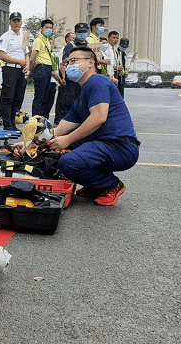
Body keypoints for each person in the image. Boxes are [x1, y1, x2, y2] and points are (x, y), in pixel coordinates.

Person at [16, 46, 139, 206]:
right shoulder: (84, 93)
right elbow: (59, 130)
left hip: (120, 146)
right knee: (57, 148)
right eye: (68, 62)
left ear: (90, 63)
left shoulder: (98, 81)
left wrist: (67, 140)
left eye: (74, 61)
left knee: (68, 161)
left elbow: (99, 117)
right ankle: (94, 185)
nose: (69, 65)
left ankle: (111, 185)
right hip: (106, 144)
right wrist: (31, 144)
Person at [0, 12, 29, 131]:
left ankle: (13, 123)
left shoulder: (25, 36)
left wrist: (27, 65)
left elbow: (27, 53)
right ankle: (7, 124)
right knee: (8, 97)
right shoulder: (5, 36)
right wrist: (18, 61)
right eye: (14, 21)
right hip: (10, 68)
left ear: (21, 22)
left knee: (17, 98)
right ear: (10, 23)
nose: (16, 23)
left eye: (18, 21)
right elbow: (1, 54)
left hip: (21, 70)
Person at [57, 23, 91, 123]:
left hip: (85, 77)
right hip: (73, 78)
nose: (82, 34)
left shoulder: (89, 46)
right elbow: (64, 62)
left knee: (85, 102)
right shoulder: (70, 46)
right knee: (71, 102)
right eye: (80, 32)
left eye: (84, 32)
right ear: (76, 33)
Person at [30, 19, 60, 118]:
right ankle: (36, 121)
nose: (49, 29)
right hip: (41, 68)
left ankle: (42, 120)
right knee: (39, 97)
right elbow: (32, 58)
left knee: (45, 97)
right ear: (41, 29)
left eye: (50, 28)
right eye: (46, 27)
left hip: (47, 69)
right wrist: (31, 70)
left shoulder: (46, 40)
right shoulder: (38, 40)